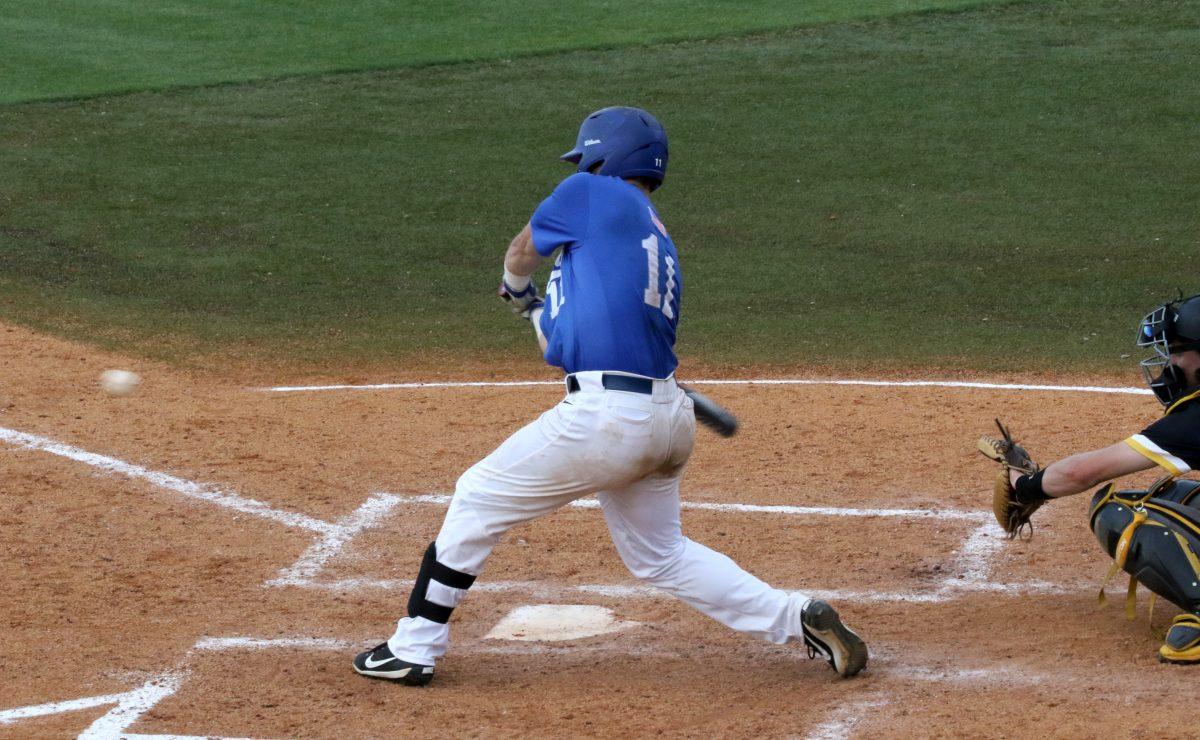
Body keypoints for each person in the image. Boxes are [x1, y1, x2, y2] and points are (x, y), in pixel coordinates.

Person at [352, 106, 868, 685]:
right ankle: (798, 617)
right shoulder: (645, 236)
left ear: (604, 156)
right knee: (661, 556)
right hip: (664, 416)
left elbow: (523, 248)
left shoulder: (591, 194)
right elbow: (565, 344)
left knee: (477, 496)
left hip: (610, 418)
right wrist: (532, 309)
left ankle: (414, 648)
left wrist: (515, 286)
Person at [980, 294, 1200, 664]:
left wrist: (1026, 486)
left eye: (1177, 351)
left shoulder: (1192, 423)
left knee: (1119, 512)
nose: (1169, 363)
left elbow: (1086, 472)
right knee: (1180, 496)